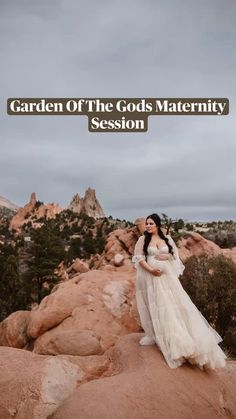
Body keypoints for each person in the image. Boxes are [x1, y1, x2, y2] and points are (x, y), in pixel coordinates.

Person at [132, 213, 227, 370]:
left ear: (157, 224)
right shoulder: (143, 240)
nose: (148, 226)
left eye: (151, 223)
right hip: (152, 278)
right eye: (146, 224)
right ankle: (164, 337)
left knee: (176, 305)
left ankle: (186, 341)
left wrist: (167, 256)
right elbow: (138, 258)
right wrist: (152, 270)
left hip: (168, 279)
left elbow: (174, 255)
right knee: (160, 306)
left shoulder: (166, 238)